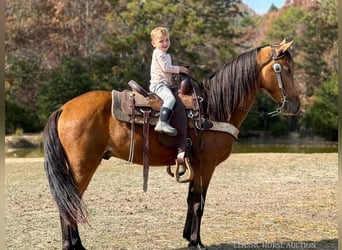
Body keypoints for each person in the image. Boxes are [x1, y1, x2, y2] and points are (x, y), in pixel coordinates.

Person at [149, 26, 189, 137]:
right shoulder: (159, 53)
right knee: (170, 99)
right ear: (154, 43)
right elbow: (166, 68)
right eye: (161, 41)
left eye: (167, 40)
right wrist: (179, 69)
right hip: (158, 85)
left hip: (165, 84)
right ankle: (162, 122)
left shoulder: (165, 54)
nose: (165, 43)